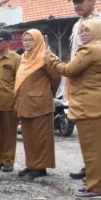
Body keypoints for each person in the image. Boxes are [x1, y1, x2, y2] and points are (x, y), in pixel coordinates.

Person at [51, 19, 101, 198]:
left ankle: (97, 188)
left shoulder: (90, 49)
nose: (82, 34)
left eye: (86, 31)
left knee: (94, 149)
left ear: (97, 32)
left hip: (92, 105)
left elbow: (69, 69)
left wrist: (51, 59)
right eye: (80, 31)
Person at [67, 0, 101, 181]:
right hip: (80, 83)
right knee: (87, 134)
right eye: (74, 2)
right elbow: (75, 55)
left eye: (80, 1)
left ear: (93, 0)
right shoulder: (77, 24)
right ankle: (91, 167)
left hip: (96, 83)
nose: (76, 6)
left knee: (100, 135)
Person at [15, 30, 61, 179]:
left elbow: (56, 78)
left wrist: (46, 93)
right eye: (25, 40)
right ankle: (31, 165)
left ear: (38, 41)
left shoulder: (46, 57)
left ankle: (40, 167)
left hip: (40, 103)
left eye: (30, 40)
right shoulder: (24, 57)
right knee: (28, 136)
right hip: (25, 102)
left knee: (41, 136)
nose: (26, 42)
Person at [0, 30, 21, 172]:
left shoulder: (16, 59)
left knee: (9, 133)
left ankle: (8, 161)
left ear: (7, 42)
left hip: (8, 101)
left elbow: (20, 81)